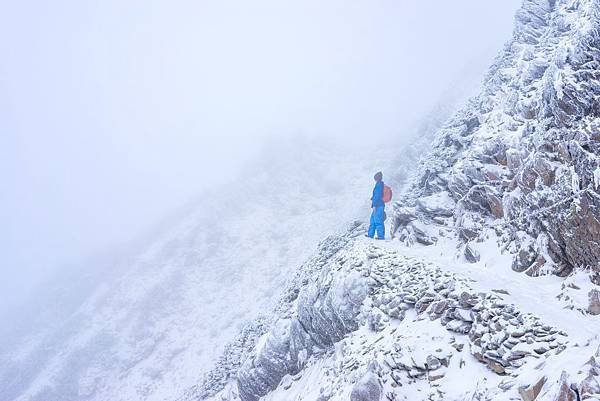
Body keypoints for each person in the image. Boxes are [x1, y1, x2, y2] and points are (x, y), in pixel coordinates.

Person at [367, 171, 385, 239]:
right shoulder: (379, 184)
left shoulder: (379, 185)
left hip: (378, 206)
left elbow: (378, 195)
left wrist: (374, 205)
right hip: (378, 205)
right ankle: (370, 235)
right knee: (373, 221)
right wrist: (373, 197)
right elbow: (378, 195)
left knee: (378, 221)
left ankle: (381, 237)